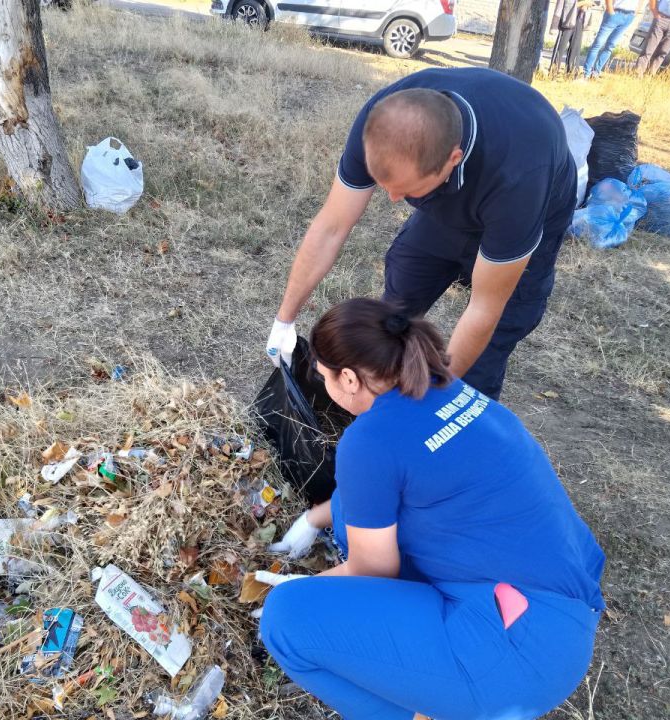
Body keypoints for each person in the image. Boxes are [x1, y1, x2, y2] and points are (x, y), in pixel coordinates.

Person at [258, 298, 606, 720]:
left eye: (323, 374)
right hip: (557, 613)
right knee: (356, 521)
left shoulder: (369, 438)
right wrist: (315, 518)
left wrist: (296, 588)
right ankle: (437, 682)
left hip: (514, 654)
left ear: (348, 378)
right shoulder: (449, 392)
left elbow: (373, 572)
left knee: (286, 621)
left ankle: (417, 709)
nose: (322, 382)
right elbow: (383, 486)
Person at [265, 68, 577, 401]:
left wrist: (434, 402)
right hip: (452, 198)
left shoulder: (518, 181)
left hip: (527, 204)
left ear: (452, 161)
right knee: (401, 295)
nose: (393, 199)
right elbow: (331, 226)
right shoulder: (383, 121)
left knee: (487, 351)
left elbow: (484, 309)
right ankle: (381, 389)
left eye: (406, 190)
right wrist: (285, 319)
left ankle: (450, 423)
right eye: (383, 185)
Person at [582, 0, 641, 78]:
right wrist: (610, 8)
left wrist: (636, 11)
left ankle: (596, 72)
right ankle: (586, 73)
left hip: (629, 16)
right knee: (598, 43)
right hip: (615, 12)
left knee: (610, 46)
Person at [550, 0, 595, 76]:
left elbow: (595, 3)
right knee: (561, 48)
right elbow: (562, 6)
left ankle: (571, 74)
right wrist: (583, 3)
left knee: (575, 48)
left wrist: (587, 5)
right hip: (567, 20)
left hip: (580, 20)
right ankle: (553, 72)